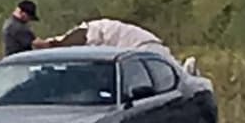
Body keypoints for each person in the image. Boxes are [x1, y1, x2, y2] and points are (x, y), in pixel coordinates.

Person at [40, 17, 197, 74]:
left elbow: (75, 37)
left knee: (169, 72)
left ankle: (188, 72)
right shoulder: (89, 36)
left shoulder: (94, 30)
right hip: (140, 46)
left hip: (145, 46)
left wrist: (53, 43)